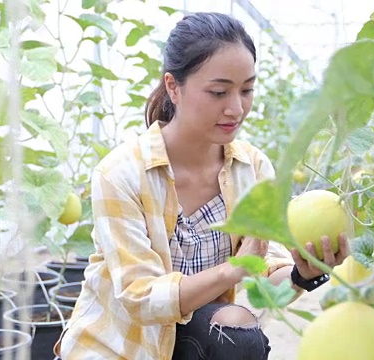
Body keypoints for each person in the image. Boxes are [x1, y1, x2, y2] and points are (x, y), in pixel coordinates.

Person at [54, 12, 349, 360]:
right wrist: (233, 269)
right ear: (173, 87)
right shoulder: (121, 173)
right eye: (218, 92)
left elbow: (263, 277)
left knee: (240, 338)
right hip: (122, 348)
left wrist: (302, 274)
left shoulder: (252, 169)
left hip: (195, 344)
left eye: (247, 90)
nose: (236, 108)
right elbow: (140, 297)